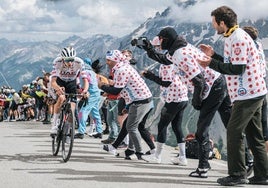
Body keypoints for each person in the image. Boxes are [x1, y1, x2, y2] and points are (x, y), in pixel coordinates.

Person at [137, 27, 232, 178]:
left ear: (165, 39)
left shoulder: (181, 53)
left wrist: (197, 101)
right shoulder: (176, 49)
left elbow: (199, 81)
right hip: (217, 82)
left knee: (201, 130)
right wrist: (149, 49)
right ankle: (248, 160)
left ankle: (203, 168)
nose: (159, 43)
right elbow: (164, 59)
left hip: (212, 87)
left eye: (160, 40)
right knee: (230, 123)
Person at [198, 6, 268, 186]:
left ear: (222, 22)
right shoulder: (233, 35)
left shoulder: (237, 38)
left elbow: (237, 69)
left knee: (234, 132)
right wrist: (214, 56)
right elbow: (233, 63)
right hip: (254, 92)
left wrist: (210, 63)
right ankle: (262, 175)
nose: (213, 26)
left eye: (214, 22)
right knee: (254, 135)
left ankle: (237, 174)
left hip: (248, 94)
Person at [141, 37, 189, 164]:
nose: (156, 50)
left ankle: (157, 156)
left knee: (162, 125)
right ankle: (182, 157)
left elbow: (166, 82)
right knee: (177, 126)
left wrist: (149, 76)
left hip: (173, 97)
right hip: (183, 96)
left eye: (157, 47)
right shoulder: (173, 58)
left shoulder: (166, 63)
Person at [99, 50, 155, 159]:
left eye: (109, 60)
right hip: (139, 100)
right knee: (129, 125)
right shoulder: (122, 67)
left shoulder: (121, 70)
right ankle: (128, 150)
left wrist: (101, 86)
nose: (107, 62)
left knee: (132, 127)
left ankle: (139, 153)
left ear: (115, 60)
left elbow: (116, 91)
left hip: (140, 101)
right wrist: (128, 106)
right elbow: (126, 89)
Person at [243, 26, 268, 152]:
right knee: (263, 123)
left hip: (252, 89)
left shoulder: (248, 47)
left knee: (250, 125)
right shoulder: (258, 45)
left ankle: (254, 158)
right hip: (262, 86)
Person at [50, 46, 85, 135]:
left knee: (72, 108)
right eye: (67, 60)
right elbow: (53, 81)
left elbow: (85, 79)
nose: (70, 62)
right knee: (61, 98)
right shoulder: (57, 62)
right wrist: (57, 88)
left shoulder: (79, 62)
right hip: (60, 81)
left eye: (71, 60)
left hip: (72, 82)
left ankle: (68, 129)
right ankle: (54, 123)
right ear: (62, 59)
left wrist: (84, 90)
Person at [74, 58, 102, 139]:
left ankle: (81, 132)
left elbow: (86, 82)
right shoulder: (93, 72)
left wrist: (84, 91)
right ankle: (99, 131)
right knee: (95, 113)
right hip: (97, 93)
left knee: (82, 112)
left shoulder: (84, 72)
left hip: (91, 94)